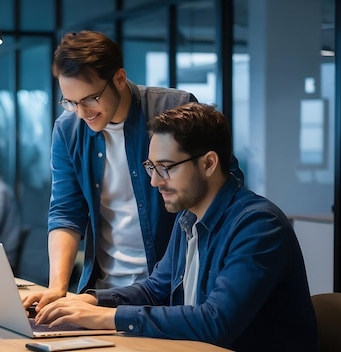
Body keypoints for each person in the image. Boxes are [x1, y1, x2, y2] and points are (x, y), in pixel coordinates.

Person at [33, 103, 317, 351]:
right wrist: (89, 302)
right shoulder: (189, 217)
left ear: (208, 163)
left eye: (166, 168)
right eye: (151, 167)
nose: (155, 181)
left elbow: (216, 322)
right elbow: (155, 290)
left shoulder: (258, 226)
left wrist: (109, 318)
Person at [23, 30, 244, 310]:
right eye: (71, 102)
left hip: (167, 288)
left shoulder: (172, 109)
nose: (82, 113)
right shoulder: (68, 130)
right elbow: (66, 211)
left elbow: (224, 183)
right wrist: (57, 288)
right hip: (102, 291)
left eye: (90, 99)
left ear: (119, 78)